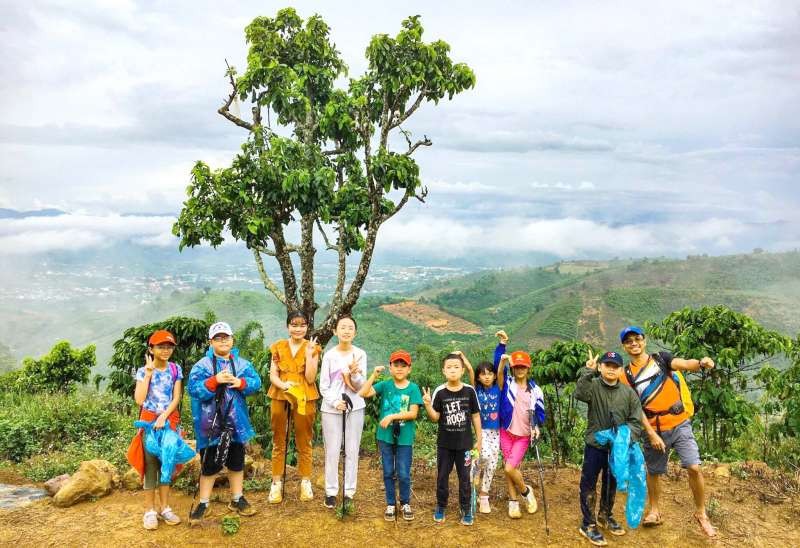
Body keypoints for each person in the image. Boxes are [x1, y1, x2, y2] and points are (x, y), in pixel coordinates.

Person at [617, 325, 717, 537]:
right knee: (654, 471)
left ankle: (701, 513)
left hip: (679, 423)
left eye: (637, 338)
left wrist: (700, 363)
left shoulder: (661, 359)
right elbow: (635, 408)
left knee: (694, 467)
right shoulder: (625, 375)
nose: (634, 343)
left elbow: (683, 364)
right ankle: (655, 511)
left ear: (644, 340)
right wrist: (651, 434)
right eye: (629, 341)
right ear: (624, 346)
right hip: (652, 428)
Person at [186, 321, 263, 525]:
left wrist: (241, 383)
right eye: (218, 338)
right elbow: (193, 389)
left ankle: (237, 498)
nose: (222, 341)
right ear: (210, 342)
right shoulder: (202, 365)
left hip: (236, 423)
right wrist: (215, 380)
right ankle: (203, 502)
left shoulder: (241, 364)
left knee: (236, 461)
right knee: (209, 463)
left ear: (232, 340)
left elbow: (256, 382)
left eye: (226, 337)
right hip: (210, 424)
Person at [575, 350, 644, 546]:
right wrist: (587, 371)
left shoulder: (628, 393)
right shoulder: (594, 385)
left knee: (611, 481)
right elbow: (579, 393)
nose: (611, 369)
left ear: (621, 370)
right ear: (600, 367)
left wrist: (623, 437)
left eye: (615, 366)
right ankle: (587, 524)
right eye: (607, 365)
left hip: (617, 450)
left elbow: (636, 421)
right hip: (595, 445)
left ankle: (605, 515)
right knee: (589, 483)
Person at [358, 349, 423, 521]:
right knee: (388, 471)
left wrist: (392, 416)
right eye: (396, 365)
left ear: (409, 368)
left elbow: (413, 413)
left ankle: (405, 502)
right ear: (391, 367)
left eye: (403, 365)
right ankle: (390, 504)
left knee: (403, 472)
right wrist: (374, 375)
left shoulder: (413, 388)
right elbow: (363, 393)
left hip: (404, 437)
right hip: (385, 436)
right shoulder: (385, 385)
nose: (400, 369)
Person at [422, 352, 482, 526]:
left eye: (456, 367)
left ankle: (465, 507)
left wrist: (480, 439)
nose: (453, 370)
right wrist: (427, 404)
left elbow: (476, 416)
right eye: (449, 367)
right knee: (442, 476)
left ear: (463, 370)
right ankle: (441, 506)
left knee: (465, 477)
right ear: (443, 371)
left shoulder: (470, 391)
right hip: (445, 445)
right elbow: (435, 417)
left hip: (465, 445)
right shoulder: (440, 392)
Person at [267, 311, 321, 504]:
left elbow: (310, 378)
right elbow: (273, 374)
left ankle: (305, 481)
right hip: (280, 393)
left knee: (304, 439)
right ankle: (276, 483)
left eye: (302, 325)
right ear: (288, 326)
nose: (298, 329)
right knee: (278, 439)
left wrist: (309, 355)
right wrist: (283, 385)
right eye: (294, 325)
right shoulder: (278, 347)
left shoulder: (313, 347)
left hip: (304, 394)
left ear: (307, 327)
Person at [132, 329, 183, 530]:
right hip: (149, 424)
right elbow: (139, 399)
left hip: (168, 422)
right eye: (161, 346)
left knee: (167, 465)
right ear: (151, 349)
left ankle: (165, 508)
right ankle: (150, 511)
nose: (165, 350)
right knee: (151, 465)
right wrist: (149, 374)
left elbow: (176, 397)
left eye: (169, 346)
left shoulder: (175, 368)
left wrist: (164, 416)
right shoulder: (143, 371)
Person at [494, 330, 545, 519]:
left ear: (528, 368)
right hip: (506, 432)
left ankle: (525, 492)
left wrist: (537, 427)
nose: (520, 370)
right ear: (513, 368)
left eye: (523, 367)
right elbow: (498, 370)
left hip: (523, 435)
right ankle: (513, 501)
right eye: (517, 367)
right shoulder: (507, 384)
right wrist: (502, 347)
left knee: (509, 467)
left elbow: (540, 413)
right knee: (510, 468)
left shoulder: (536, 390)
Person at [319, 315, 367, 510]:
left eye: (350, 328)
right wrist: (334, 402)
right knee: (332, 450)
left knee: (352, 449)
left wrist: (355, 373)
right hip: (331, 409)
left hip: (355, 406)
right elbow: (324, 385)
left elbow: (360, 386)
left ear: (355, 333)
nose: (346, 331)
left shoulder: (360, 354)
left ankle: (349, 492)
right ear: (335, 331)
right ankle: (331, 491)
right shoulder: (329, 355)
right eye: (342, 327)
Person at [467, 360, 501, 514]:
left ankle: (484, 494)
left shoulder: (498, 388)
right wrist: (464, 359)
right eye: (483, 374)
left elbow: (501, 372)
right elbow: (470, 372)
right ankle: (471, 481)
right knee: (481, 456)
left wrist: (503, 358)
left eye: (490, 374)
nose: (486, 377)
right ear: (479, 377)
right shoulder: (476, 390)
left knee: (493, 462)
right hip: (480, 430)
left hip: (496, 431)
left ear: (494, 376)